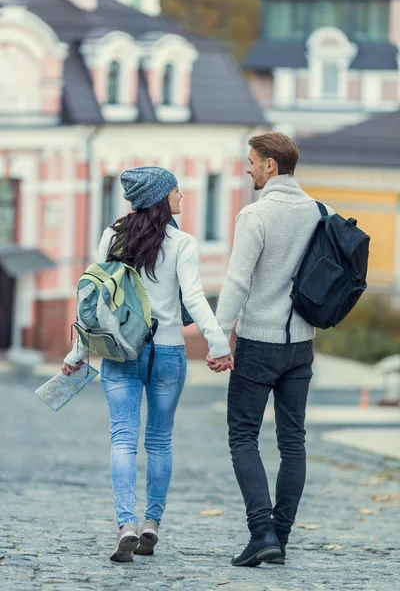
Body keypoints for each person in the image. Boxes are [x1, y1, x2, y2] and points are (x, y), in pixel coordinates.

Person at [62, 166, 234, 562]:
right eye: (176, 192)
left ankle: (126, 524)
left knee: (122, 438)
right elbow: (193, 298)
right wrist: (219, 343)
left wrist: (77, 354)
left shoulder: (112, 236)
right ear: (160, 197)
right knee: (159, 441)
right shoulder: (183, 243)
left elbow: (92, 300)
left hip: (119, 352)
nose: (181, 198)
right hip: (167, 353)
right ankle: (151, 523)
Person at [207, 132, 333, 567]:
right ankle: (280, 536)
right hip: (301, 345)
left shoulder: (254, 215)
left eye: (252, 161)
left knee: (243, 436)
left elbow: (238, 281)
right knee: (292, 442)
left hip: (259, 343)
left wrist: (218, 338)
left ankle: (262, 531)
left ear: (270, 166)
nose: (248, 167)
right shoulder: (322, 212)